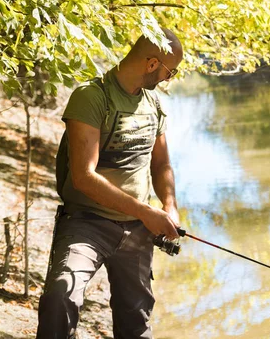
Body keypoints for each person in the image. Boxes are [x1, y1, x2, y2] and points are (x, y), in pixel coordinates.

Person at [36, 29, 183, 339]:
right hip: (86, 225)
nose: (168, 79)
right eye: (170, 71)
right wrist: (145, 211)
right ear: (152, 63)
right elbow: (83, 177)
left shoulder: (153, 104)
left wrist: (169, 207)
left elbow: (162, 164)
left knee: (136, 322)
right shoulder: (91, 96)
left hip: (137, 232)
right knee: (60, 298)